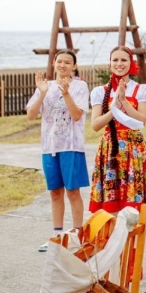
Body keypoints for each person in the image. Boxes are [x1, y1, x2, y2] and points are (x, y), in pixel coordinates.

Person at [26, 49, 90, 251]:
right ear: (54, 63)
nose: (63, 65)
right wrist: (42, 92)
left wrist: (66, 93)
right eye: (59, 61)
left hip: (71, 146)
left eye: (67, 62)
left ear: (74, 66)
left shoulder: (80, 86)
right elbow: (30, 115)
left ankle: (78, 236)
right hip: (49, 147)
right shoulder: (46, 86)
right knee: (55, 192)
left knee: (72, 191)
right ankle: (57, 236)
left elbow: (77, 115)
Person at [89, 45, 146, 213]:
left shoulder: (141, 89)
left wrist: (124, 101)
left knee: (134, 199)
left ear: (131, 63)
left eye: (124, 60)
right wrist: (114, 109)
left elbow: (142, 120)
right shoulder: (100, 91)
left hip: (133, 147)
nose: (119, 63)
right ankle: (114, 230)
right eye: (115, 60)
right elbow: (95, 125)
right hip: (110, 148)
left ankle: (133, 230)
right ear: (110, 63)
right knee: (111, 201)